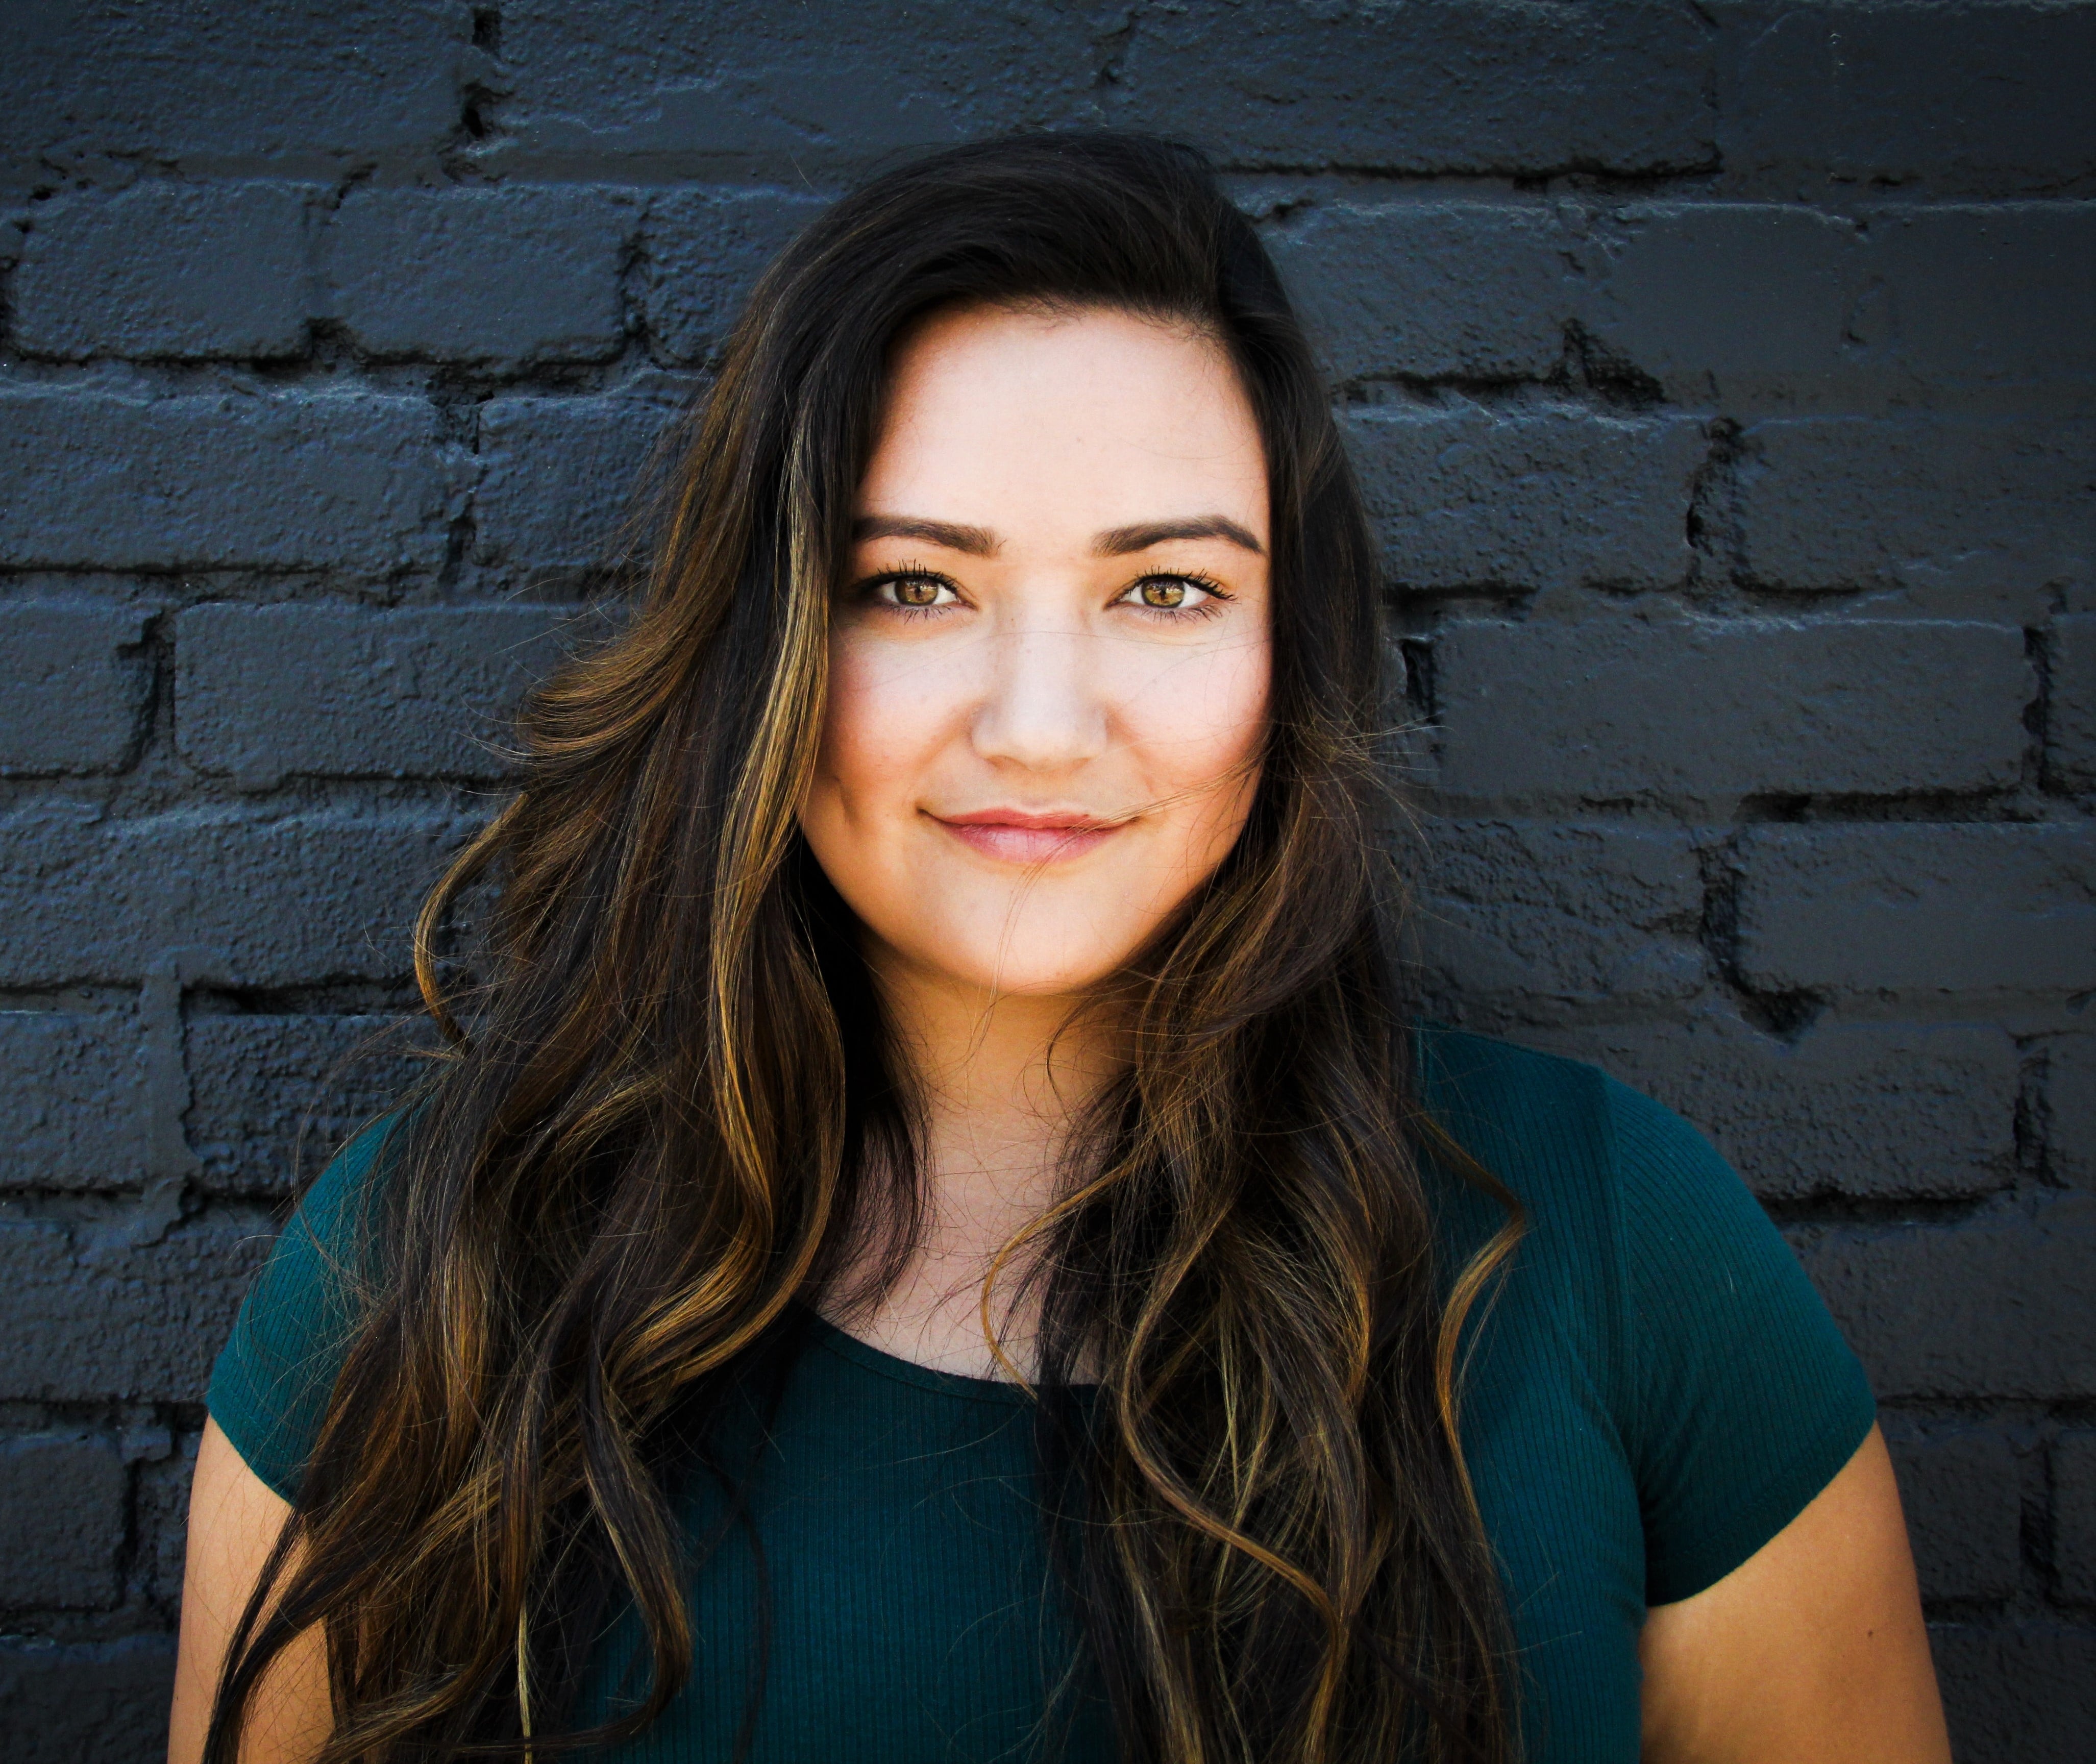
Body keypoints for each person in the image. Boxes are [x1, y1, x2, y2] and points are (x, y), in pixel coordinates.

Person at [168, 133, 1950, 1764]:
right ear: (765, 650)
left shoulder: (1619, 1250)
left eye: (1164, 590)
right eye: (910, 586)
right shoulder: (434, 1274)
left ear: (1287, 664)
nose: (1036, 725)